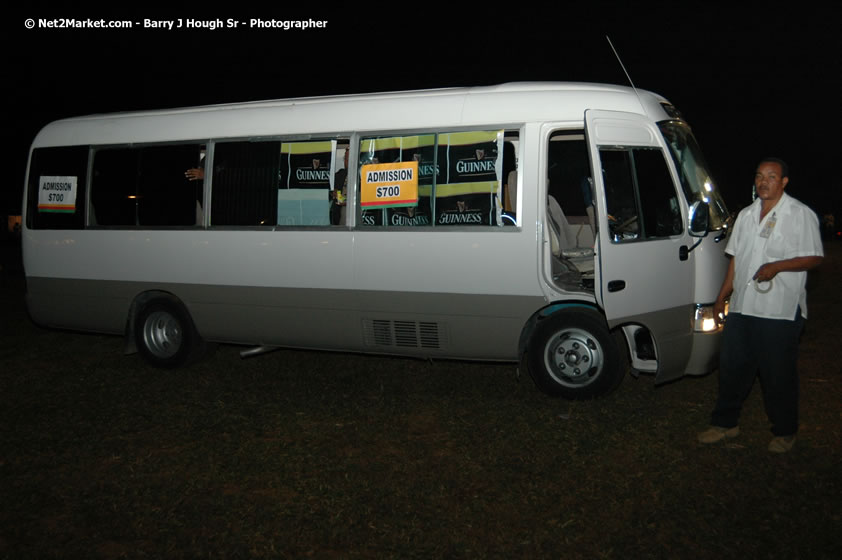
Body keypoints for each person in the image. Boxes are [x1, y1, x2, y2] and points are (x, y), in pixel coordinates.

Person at [698, 158, 823, 453]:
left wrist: (778, 266)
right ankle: (725, 425)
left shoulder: (799, 214)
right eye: (759, 177)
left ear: (784, 182)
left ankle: (785, 432)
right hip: (743, 307)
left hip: (779, 310)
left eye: (771, 177)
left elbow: (815, 256)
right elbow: (736, 260)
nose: (763, 182)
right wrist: (721, 298)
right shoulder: (745, 215)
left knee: (777, 374)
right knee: (731, 369)